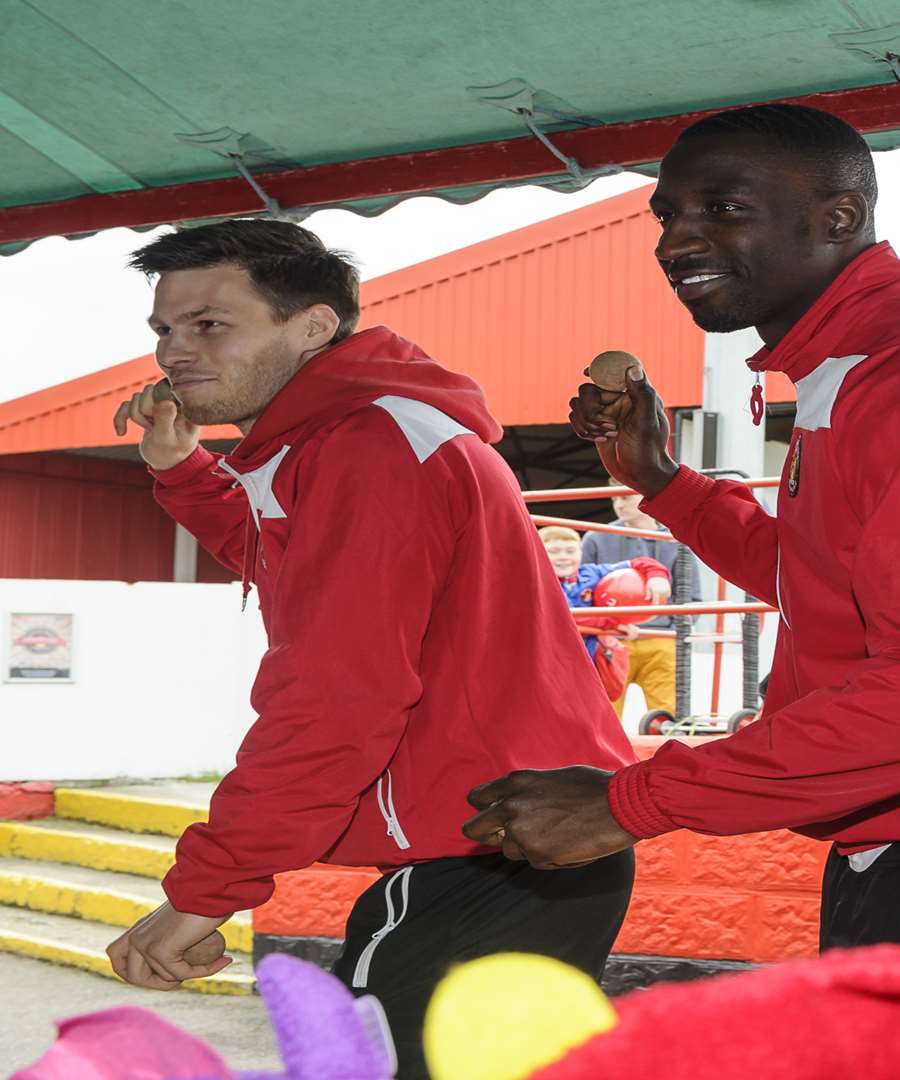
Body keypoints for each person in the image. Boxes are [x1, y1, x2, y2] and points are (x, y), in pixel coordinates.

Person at [462, 103, 900, 958]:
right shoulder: (863, 368)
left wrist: (628, 803)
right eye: (669, 216)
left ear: (838, 218)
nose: (675, 242)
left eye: (722, 210)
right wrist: (662, 479)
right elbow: (832, 582)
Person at [104, 220, 637, 1079]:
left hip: (491, 844)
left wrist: (203, 894)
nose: (174, 351)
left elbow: (335, 698)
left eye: (210, 323)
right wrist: (181, 471)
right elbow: (292, 560)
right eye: (164, 329)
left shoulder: (367, 444)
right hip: (515, 838)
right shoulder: (358, 432)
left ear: (313, 326)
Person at [579, 484, 699, 718]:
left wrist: (672, 631)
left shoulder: (677, 538)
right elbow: (582, 589)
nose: (618, 505)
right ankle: (601, 756)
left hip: (660, 639)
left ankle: (671, 752)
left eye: (625, 498)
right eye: (614, 499)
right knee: (602, 716)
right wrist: (601, 630)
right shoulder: (595, 537)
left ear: (646, 495)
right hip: (610, 638)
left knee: (669, 715)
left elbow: (691, 594)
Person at [540, 523, 671, 710]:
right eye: (554, 551)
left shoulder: (591, 573)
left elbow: (639, 562)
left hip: (589, 660)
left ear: (580, 552)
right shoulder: (537, 581)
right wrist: (612, 624)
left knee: (591, 707)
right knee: (554, 706)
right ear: (539, 552)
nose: (564, 557)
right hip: (553, 657)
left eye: (570, 551)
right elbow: (563, 617)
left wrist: (657, 576)